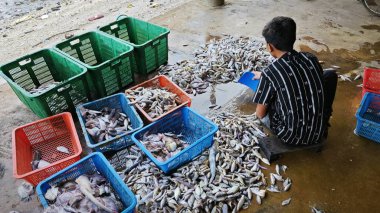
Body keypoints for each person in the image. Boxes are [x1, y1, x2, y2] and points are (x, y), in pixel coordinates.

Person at [252, 16, 337, 146]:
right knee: (329, 75)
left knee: (267, 103)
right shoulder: (311, 59)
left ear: (270, 47)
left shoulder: (270, 73)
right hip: (317, 132)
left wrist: (265, 79)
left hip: (290, 137)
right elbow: (296, 74)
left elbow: (259, 114)